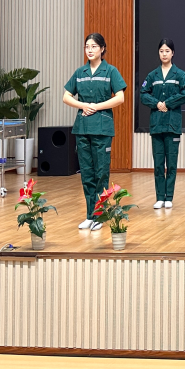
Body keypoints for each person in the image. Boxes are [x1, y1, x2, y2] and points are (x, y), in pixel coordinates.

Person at [63, 33, 127, 231]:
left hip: (102, 128)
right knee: (87, 173)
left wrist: (96, 107)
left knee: (101, 173)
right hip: (82, 128)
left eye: (94, 46)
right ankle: (89, 215)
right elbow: (66, 96)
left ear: (102, 49)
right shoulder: (80, 72)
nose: (89, 50)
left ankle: (100, 215)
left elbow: (120, 98)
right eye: (87, 47)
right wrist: (83, 105)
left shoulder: (110, 71)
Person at [140, 38, 185, 210]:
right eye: (161, 51)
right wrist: (157, 104)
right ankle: (159, 197)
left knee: (171, 163)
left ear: (173, 53)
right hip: (156, 125)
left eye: (167, 51)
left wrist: (168, 103)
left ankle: (169, 197)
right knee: (158, 163)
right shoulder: (152, 75)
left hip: (172, 124)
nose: (164, 54)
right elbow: (143, 94)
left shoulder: (180, 74)